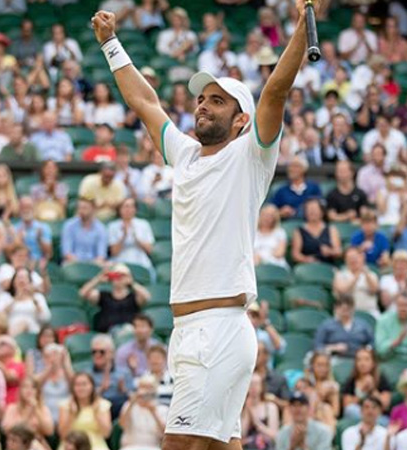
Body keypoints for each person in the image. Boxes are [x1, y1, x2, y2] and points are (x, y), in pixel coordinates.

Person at [94, 2, 314, 445]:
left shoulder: (251, 154)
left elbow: (274, 92)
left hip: (216, 329)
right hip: (193, 332)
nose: (203, 106)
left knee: (178, 445)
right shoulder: (185, 153)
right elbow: (144, 100)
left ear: (241, 120)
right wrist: (111, 45)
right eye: (201, 98)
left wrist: (301, 27)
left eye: (218, 101)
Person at [80, 264, 150, 333]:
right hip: (107, 334)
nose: (119, 278)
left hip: (128, 334)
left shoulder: (134, 297)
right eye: (116, 275)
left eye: (122, 276)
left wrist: (132, 283)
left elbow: (147, 297)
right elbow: (83, 294)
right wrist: (98, 279)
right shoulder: (103, 296)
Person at [57, 372, 112, 450]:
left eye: (84, 384)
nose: (81, 388)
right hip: (71, 444)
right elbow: (63, 435)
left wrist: (96, 413)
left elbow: (106, 434)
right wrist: (72, 415)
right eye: (77, 385)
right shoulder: (65, 405)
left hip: (95, 444)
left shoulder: (102, 404)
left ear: (92, 386)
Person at [342, 347, 391, 420]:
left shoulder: (381, 379)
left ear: (373, 362)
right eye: (359, 360)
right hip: (358, 414)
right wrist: (362, 391)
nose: (362, 363)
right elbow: (347, 406)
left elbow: (385, 405)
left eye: (366, 359)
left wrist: (372, 390)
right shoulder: (351, 380)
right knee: (350, 410)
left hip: (378, 417)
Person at [118, 374, 165, 450]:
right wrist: (131, 404)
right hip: (130, 447)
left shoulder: (161, 408)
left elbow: (164, 434)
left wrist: (154, 412)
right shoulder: (128, 405)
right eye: (142, 387)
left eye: (149, 388)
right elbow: (122, 425)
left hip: (153, 447)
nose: (145, 391)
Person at [332, 247, 380, 317]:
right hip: (347, 313)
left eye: (355, 257)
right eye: (349, 258)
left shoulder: (371, 275)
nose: (353, 260)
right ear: (345, 260)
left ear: (361, 258)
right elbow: (342, 290)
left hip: (369, 312)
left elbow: (374, 290)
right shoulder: (340, 275)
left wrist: (366, 274)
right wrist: (356, 277)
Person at [61, 197, 107, 265]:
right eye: (79, 208)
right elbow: (67, 253)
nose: (81, 211)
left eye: (84, 208)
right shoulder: (69, 226)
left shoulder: (101, 228)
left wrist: (92, 264)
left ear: (93, 209)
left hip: (94, 264)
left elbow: (101, 255)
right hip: (73, 263)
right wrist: (81, 265)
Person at [240, 373, 279, 450]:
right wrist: (247, 412)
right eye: (251, 384)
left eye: (256, 384)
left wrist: (257, 423)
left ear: (262, 386)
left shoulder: (270, 407)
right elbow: (241, 435)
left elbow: (275, 435)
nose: (253, 387)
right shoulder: (241, 408)